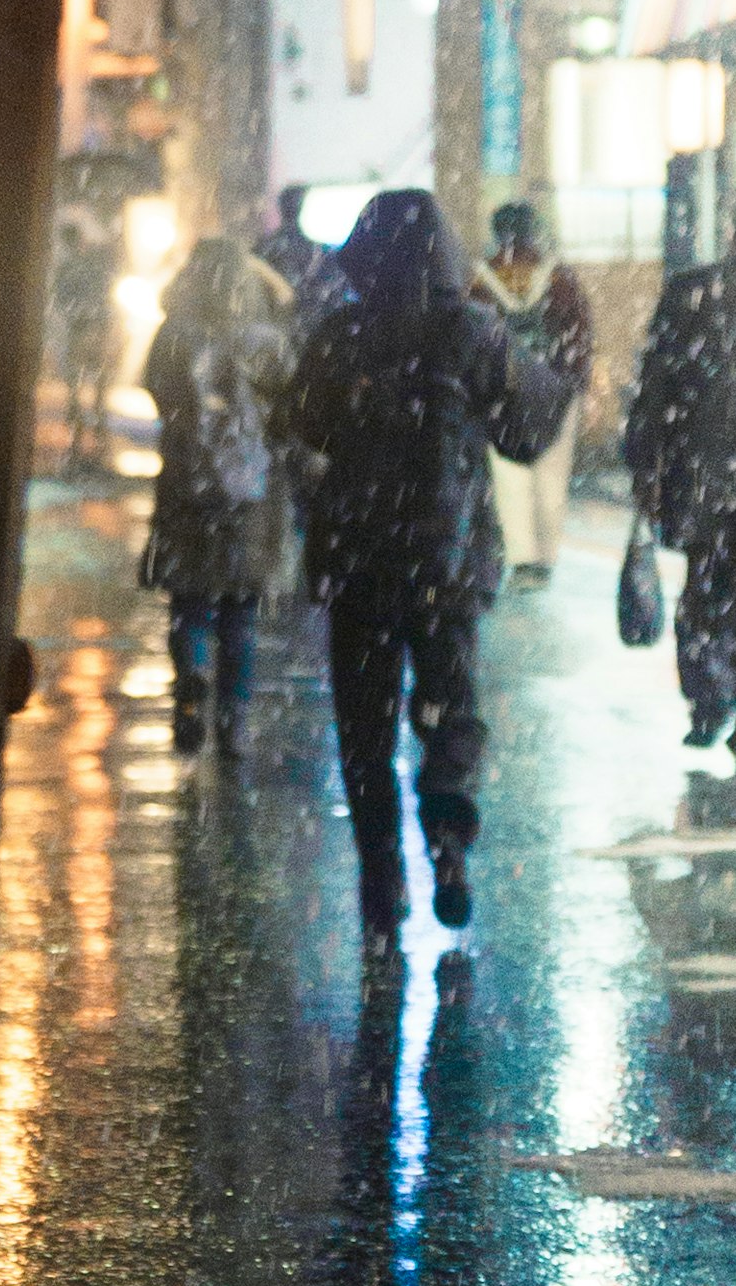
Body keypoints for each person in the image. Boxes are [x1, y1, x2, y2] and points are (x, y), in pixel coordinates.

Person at [277, 188, 571, 941]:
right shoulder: (474, 332)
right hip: (447, 561)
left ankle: (382, 877)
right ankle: (447, 844)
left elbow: (298, 422)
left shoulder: (342, 333)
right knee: (451, 708)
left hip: (359, 562)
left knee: (365, 728)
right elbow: (527, 433)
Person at [620, 185, 736, 772]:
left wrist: (644, 464)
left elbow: (653, 392)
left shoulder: (687, 292)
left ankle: (706, 705)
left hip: (699, 475)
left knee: (706, 589)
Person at [138, 227, 296, 752]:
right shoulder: (266, 339)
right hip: (250, 489)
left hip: (187, 483)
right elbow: (291, 407)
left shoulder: (174, 334)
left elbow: (158, 394)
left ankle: (190, 685)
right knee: (240, 612)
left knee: (189, 603)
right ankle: (233, 723)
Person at [481, 196, 596, 577]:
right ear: (535, 232)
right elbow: (580, 336)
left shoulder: (483, 279)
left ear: (498, 234)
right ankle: (546, 555)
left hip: (500, 391)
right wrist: (576, 383)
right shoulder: (560, 278)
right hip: (555, 390)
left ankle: (521, 555)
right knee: (551, 472)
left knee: (508, 474)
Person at [48, 208, 117, 469]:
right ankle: (96, 433)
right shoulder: (92, 264)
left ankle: (82, 433)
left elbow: (62, 299)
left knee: (78, 385)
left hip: (81, 328)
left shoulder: (71, 267)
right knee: (96, 384)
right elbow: (104, 291)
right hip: (94, 327)